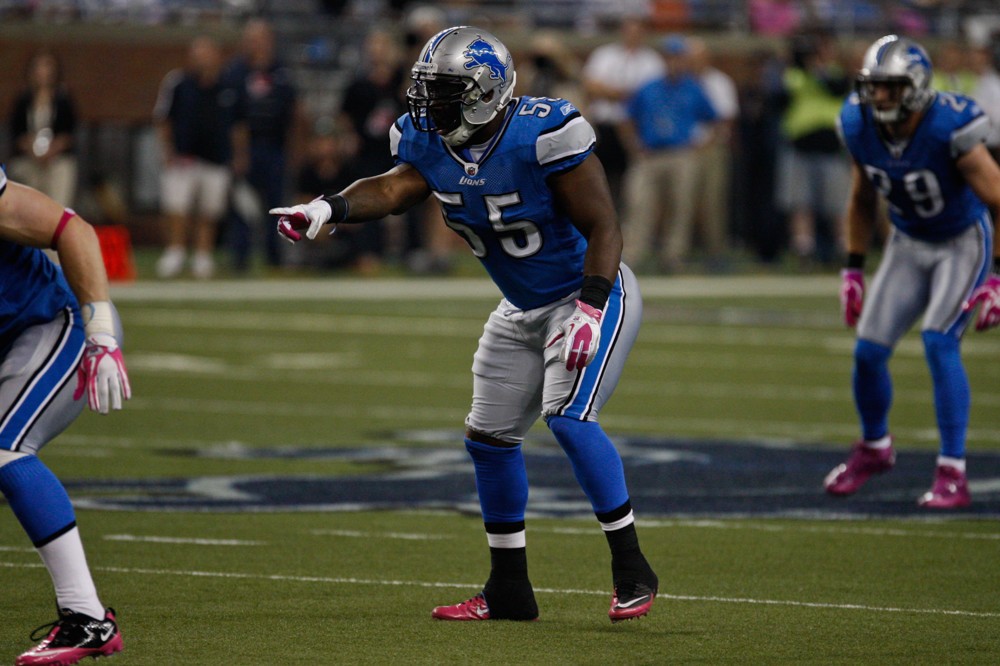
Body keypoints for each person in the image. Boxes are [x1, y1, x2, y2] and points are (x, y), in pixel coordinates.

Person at [271, 26, 658, 622]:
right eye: (427, 89)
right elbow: (396, 188)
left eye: (444, 91)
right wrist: (329, 208)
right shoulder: (426, 141)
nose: (428, 105)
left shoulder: (544, 132)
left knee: (570, 420)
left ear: (484, 92)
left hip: (587, 291)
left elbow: (605, 226)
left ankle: (632, 568)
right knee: (489, 438)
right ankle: (509, 590)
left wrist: (590, 307)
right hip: (520, 305)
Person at [825, 35, 1000, 508]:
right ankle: (875, 448)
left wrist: (997, 279)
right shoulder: (858, 123)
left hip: (962, 240)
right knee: (867, 352)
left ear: (918, 88)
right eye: (873, 87)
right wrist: (854, 269)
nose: (877, 97)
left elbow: (999, 200)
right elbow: (862, 198)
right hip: (906, 241)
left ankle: (953, 471)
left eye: (890, 88)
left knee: (939, 342)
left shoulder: (948, 126)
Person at [0, 168, 131, 664]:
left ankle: (87, 619)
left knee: (6, 448)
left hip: (59, 323)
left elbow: (72, 229)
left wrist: (100, 333)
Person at [619, 34, 719, 273]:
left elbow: (716, 120)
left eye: (678, 57)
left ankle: (673, 257)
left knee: (680, 206)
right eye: (670, 57)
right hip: (651, 153)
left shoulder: (694, 88)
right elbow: (626, 117)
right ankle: (632, 256)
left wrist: (702, 146)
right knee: (639, 203)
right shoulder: (648, 87)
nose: (674, 62)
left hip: (681, 153)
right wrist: (634, 145)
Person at [153, 35, 249, 279]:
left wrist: (239, 154)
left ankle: (202, 255)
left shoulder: (230, 86)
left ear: (217, 56)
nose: (201, 59)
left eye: (206, 53)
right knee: (177, 207)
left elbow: (238, 125)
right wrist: (166, 149)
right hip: (183, 158)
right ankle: (175, 252)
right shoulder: (178, 83)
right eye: (197, 54)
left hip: (216, 158)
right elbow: (163, 118)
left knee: (209, 210)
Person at [223, 18, 303, 273]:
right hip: (248, 147)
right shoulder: (236, 73)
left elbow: (294, 113)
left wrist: (294, 149)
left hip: (275, 147)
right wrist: (239, 153)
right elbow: (233, 118)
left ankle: (274, 255)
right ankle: (240, 257)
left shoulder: (281, 72)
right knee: (242, 206)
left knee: (277, 204)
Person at [777, 29, 851, 268]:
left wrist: (819, 69)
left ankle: (844, 249)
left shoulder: (837, 75)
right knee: (800, 203)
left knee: (837, 204)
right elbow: (781, 97)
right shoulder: (795, 75)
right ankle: (803, 249)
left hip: (831, 147)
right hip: (800, 146)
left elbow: (836, 88)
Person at [581, 14, 664, 211]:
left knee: (632, 179)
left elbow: (651, 96)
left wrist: (610, 92)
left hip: (635, 128)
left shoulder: (653, 61)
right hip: (604, 125)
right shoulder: (604, 55)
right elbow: (590, 86)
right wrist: (625, 94)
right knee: (600, 177)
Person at [8, 50, 79, 208]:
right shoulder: (23, 100)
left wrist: (52, 150)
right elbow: (16, 133)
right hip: (29, 159)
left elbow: (69, 133)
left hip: (56, 160)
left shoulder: (63, 100)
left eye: (47, 66)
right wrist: (31, 149)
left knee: (63, 172)